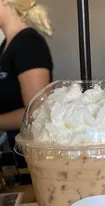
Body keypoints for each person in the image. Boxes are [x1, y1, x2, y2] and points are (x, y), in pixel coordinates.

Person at [0, 0, 53, 181]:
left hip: (29, 163)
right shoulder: (6, 46)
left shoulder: (28, 44)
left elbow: (35, 113)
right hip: (13, 153)